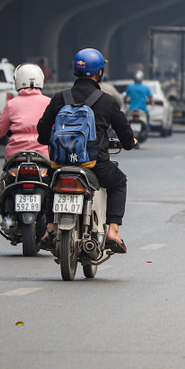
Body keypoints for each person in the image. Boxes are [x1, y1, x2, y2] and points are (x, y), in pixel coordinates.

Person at [36, 48, 137, 254]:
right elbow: (125, 135)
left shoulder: (59, 97)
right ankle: (113, 232)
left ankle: (50, 228)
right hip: (94, 163)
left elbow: (42, 132)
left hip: (61, 163)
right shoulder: (107, 101)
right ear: (99, 73)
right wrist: (129, 142)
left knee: (50, 183)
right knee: (119, 182)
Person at [0, 64, 51, 161]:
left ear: (18, 80)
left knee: (7, 174)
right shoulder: (49, 102)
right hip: (43, 155)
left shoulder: (11, 104)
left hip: (16, 155)